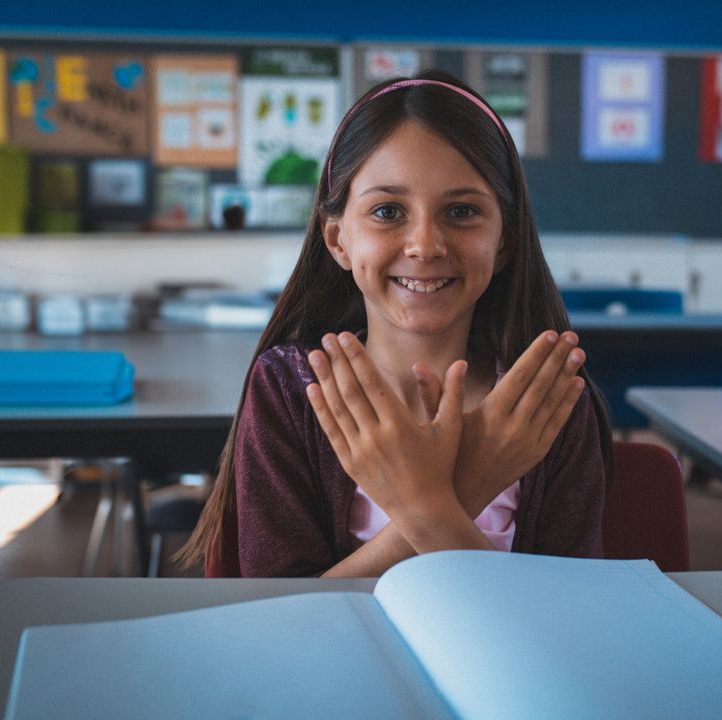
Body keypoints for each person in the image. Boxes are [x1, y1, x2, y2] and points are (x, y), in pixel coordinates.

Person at [177, 69, 613, 578]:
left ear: (505, 243)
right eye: (387, 211)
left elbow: (565, 623)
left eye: (462, 211)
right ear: (338, 240)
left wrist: (427, 505)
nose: (425, 245)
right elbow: (281, 617)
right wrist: (464, 489)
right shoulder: (292, 390)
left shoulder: (546, 402)